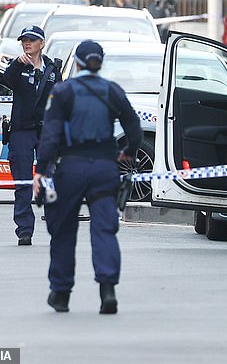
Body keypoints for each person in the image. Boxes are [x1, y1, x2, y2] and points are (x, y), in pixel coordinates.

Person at [33, 40, 142, 314]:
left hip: (70, 168)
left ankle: (60, 294)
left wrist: (42, 170)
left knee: (63, 229)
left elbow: (50, 136)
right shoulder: (112, 90)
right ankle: (108, 291)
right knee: (104, 228)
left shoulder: (63, 91)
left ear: (78, 63)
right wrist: (128, 152)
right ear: (100, 62)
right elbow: (134, 127)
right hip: (105, 169)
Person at [4, 25, 61, 246]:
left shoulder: (52, 68)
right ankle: (24, 229)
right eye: (24, 40)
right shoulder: (17, 65)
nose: (27, 44)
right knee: (22, 181)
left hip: (46, 130)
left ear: (42, 43)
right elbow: (8, 81)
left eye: (32, 40)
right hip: (22, 130)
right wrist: (17, 65)